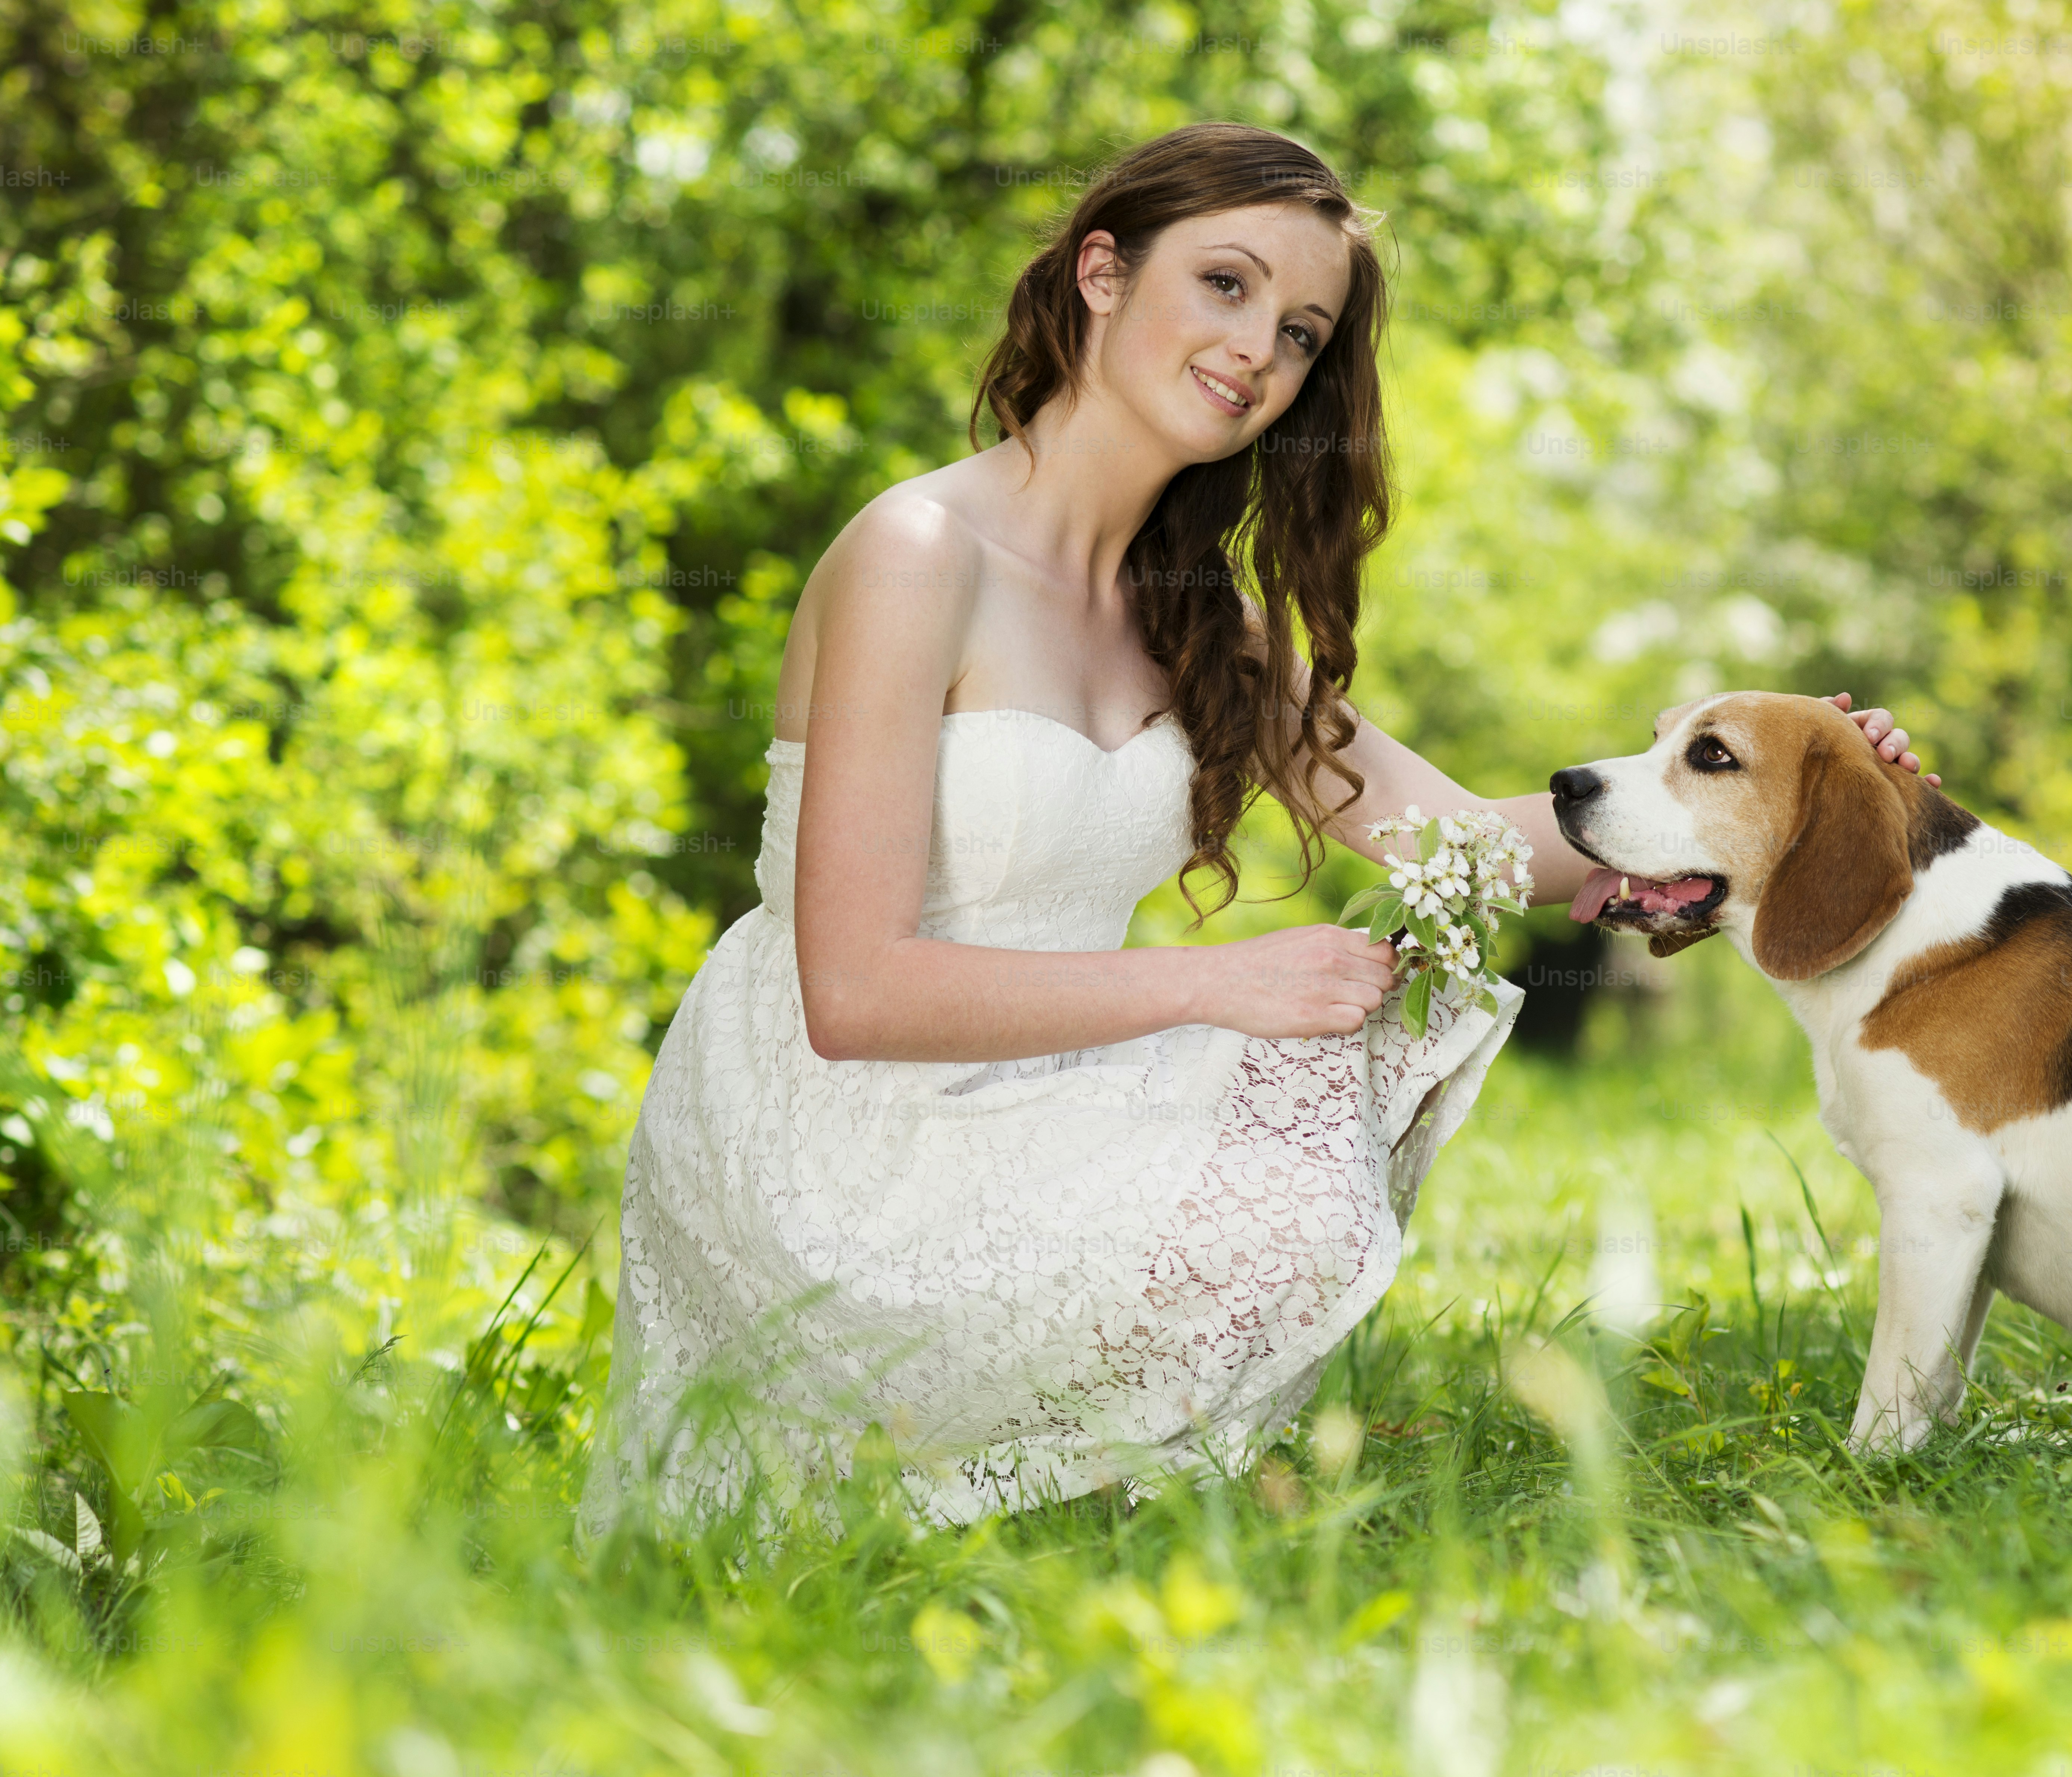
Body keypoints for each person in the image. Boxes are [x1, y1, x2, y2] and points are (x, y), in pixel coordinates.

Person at [577, 121, 1930, 1538]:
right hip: (827, 1131)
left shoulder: (1194, 618)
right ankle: (987, 1488)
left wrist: (1788, 786)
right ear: (1101, 273)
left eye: (1298, 332)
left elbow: (1460, 840)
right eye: (1223, 286)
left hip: (1045, 1084)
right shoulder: (919, 557)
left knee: (1314, 1114)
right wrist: (1221, 982)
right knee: (1277, 1064)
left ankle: (1067, 1504)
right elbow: (850, 993)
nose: (1256, 353)